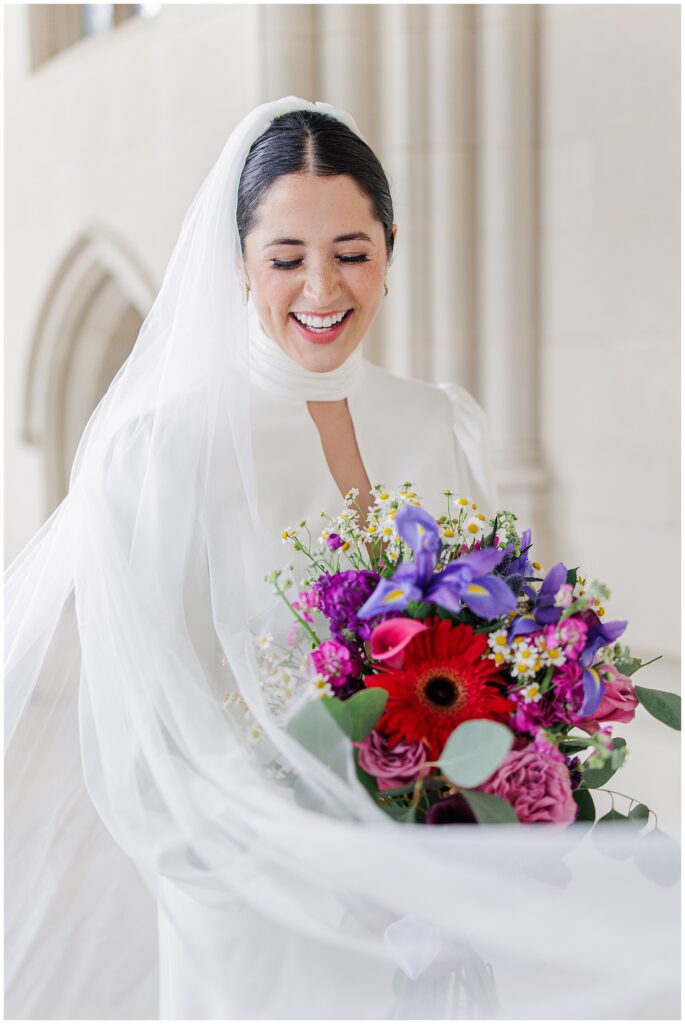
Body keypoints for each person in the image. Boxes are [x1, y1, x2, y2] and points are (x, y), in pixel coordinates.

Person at [5, 98, 679, 1021]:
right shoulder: (155, 455)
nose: (322, 290)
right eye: (286, 259)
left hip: (434, 897)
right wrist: (291, 868)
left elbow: (490, 644)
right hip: (253, 910)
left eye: (352, 254)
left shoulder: (438, 420)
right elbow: (143, 730)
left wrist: (480, 807)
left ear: (390, 251)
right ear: (239, 265)